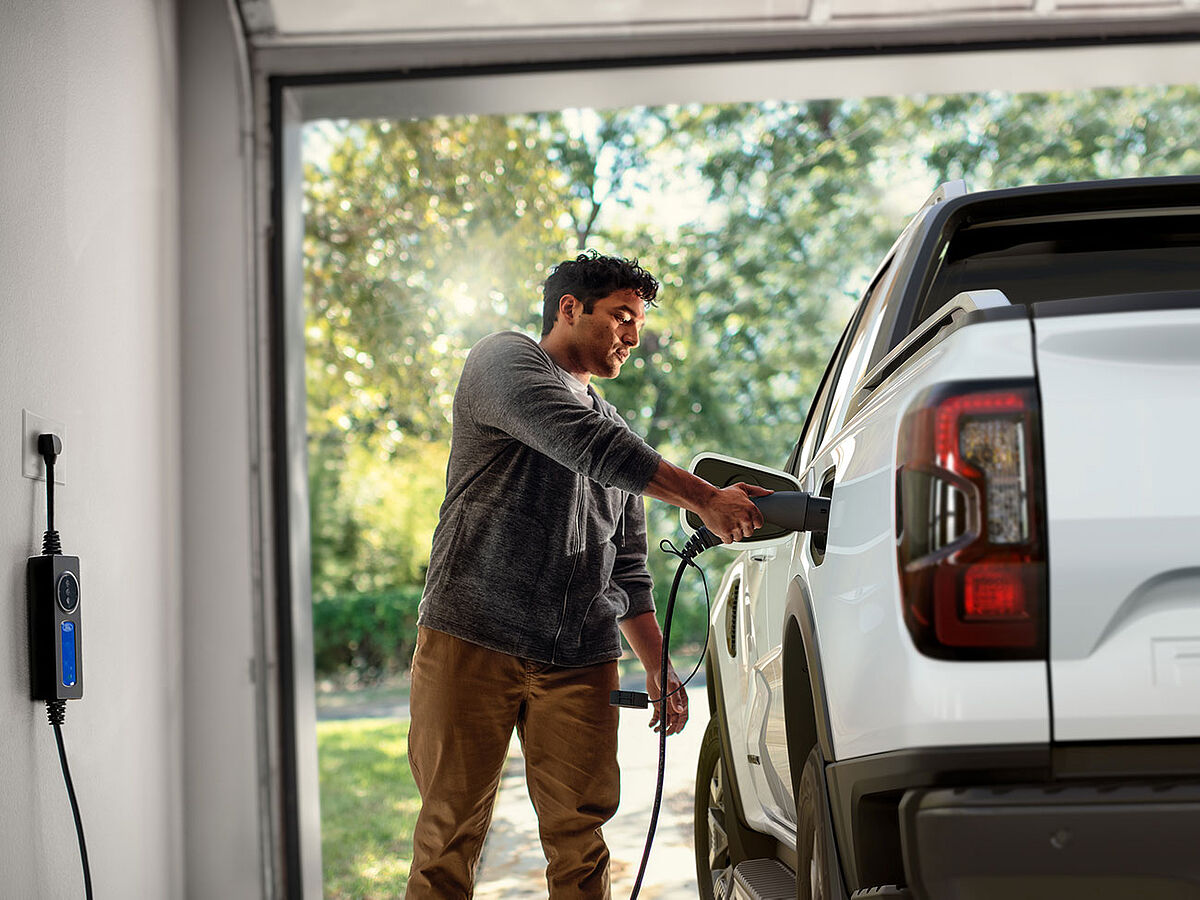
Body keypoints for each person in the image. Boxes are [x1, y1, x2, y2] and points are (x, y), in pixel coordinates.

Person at [405, 251, 766, 899]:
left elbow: (627, 567)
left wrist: (657, 665)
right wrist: (706, 498)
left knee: (581, 841)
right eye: (622, 316)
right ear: (569, 308)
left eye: (638, 322)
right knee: (447, 836)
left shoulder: (619, 433)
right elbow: (585, 445)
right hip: (472, 637)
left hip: (580, 658)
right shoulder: (502, 360)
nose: (633, 336)